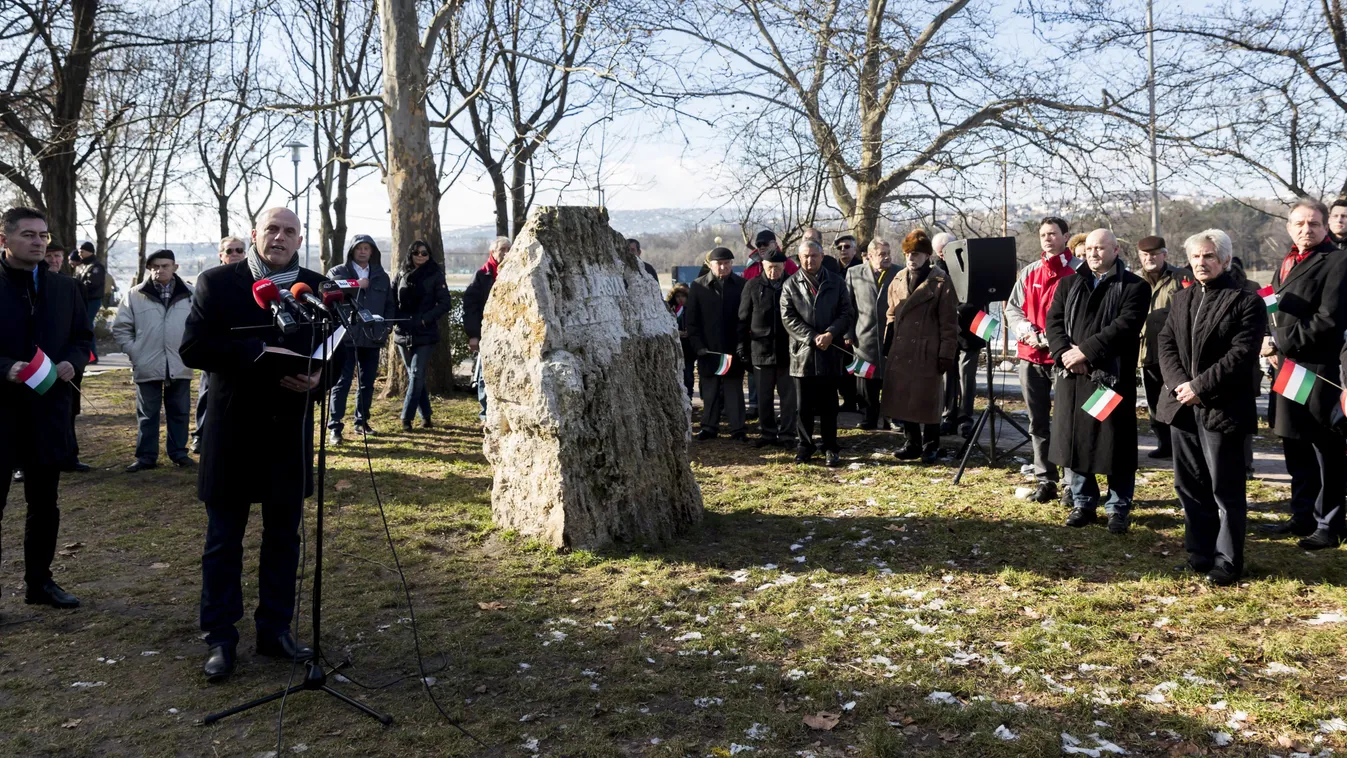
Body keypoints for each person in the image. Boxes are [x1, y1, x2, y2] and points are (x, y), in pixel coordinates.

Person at [180, 207, 326, 682]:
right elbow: (193, 349)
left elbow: (337, 349)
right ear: (254, 235)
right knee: (224, 540)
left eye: (289, 231)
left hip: (289, 429)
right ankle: (221, 638)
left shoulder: (314, 285)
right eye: (272, 230)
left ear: (300, 237)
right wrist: (254, 352)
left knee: (284, 537)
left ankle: (275, 630)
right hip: (233, 430)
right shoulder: (218, 282)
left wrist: (320, 379)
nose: (280, 238)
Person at [1156, 229, 1264, 585]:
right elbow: (1166, 342)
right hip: (1182, 406)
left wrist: (1200, 387)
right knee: (1189, 485)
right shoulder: (1183, 299)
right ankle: (1199, 552)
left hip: (1223, 407)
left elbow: (1241, 354)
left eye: (1210, 256)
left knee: (1225, 489)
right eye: (1197, 257)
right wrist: (1179, 386)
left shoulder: (1245, 300)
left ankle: (1228, 559)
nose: (1202, 263)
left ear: (1226, 260)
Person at [0, 207, 91, 609]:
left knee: (44, 505)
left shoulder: (64, 288)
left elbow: (81, 336)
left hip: (48, 411)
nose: (38, 242)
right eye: (28, 235)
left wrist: (75, 359)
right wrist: (4, 368)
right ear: (4, 240)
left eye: (43, 235)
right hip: (1, 414)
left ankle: (40, 583)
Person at [1045, 228, 1150, 534]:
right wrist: (1065, 354)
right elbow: (1054, 321)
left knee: (1113, 445)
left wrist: (1086, 354)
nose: (1093, 253)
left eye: (1100, 248)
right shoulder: (1069, 282)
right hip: (1072, 376)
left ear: (1116, 250)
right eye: (1089, 248)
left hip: (1109, 378)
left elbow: (1125, 327)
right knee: (1074, 441)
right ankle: (1083, 502)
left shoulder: (1134, 287)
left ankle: (1118, 507)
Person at [1261, 199, 1347, 549]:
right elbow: (1271, 304)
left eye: (1313, 224)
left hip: (1319, 368)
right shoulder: (1286, 261)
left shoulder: (1339, 261)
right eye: (1298, 223)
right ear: (1288, 226)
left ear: (1325, 226)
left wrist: (1280, 341)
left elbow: (1329, 317)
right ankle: (1302, 516)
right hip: (1286, 368)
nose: (1305, 229)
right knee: (1294, 442)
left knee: (1324, 448)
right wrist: (1266, 337)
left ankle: (1329, 523)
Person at [1005, 217, 1079, 503]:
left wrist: (1055, 337)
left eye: (1053, 234)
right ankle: (1045, 479)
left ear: (1065, 237)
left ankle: (1071, 484)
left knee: (1067, 422)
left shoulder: (1078, 272)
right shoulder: (1030, 272)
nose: (1047, 239)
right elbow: (1013, 308)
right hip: (1030, 356)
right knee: (1037, 422)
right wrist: (1025, 330)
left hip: (1064, 358)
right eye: (1043, 234)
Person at [880, 230, 958, 464]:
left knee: (928, 399)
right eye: (907, 254)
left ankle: (930, 445)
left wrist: (946, 353)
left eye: (915, 254)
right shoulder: (897, 279)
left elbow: (949, 323)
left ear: (926, 255)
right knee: (905, 397)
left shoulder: (941, 282)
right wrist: (888, 341)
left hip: (928, 348)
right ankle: (911, 442)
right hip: (902, 347)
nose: (910, 259)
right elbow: (891, 313)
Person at [113, 249, 195, 472]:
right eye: (155, 266)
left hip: (180, 363)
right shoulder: (134, 295)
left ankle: (179, 453)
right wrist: (135, 351)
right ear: (150, 269)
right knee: (147, 413)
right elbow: (121, 327)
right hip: (147, 362)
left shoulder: (191, 293)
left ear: (175, 267)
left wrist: (191, 351)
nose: (160, 270)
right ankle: (146, 457)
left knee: (179, 411)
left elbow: (199, 326)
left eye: (165, 265)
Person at [781, 239, 853, 466]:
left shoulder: (837, 282)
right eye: (805, 256)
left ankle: (830, 446)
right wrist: (812, 337)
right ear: (799, 258)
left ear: (822, 257)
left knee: (829, 405)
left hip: (830, 352)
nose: (809, 260)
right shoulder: (790, 285)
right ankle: (805, 446)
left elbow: (846, 312)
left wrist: (831, 333)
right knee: (803, 406)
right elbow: (788, 317)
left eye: (814, 255)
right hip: (803, 353)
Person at [325, 234, 395, 444]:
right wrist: (356, 284)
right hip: (344, 337)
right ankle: (335, 427)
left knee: (367, 383)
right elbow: (328, 291)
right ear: (352, 251)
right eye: (359, 248)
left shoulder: (381, 276)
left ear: (372, 252)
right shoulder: (338, 272)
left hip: (372, 336)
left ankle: (361, 421)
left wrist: (387, 325)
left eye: (367, 248)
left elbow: (390, 304)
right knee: (341, 382)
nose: (363, 251)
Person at [1136, 235, 1193, 460]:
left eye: (1154, 254)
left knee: (1177, 398)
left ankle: (1182, 445)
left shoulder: (1181, 277)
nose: (1149, 258)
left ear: (1164, 254)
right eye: (1145, 255)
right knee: (1153, 401)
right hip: (1146, 350)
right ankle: (1164, 443)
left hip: (1175, 352)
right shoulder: (1134, 280)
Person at [192, 236, 249, 454]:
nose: (234, 254)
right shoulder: (210, 280)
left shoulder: (252, 278)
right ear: (221, 255)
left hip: (243, 346)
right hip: (217, 346)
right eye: (229, 251)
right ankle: (200, 435)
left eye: (239, 250)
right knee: (208, 391)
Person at [687, 246, 748, 440]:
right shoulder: (698, 286)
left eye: (726, 263)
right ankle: (709, 427)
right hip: (708, 349)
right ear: (710, 265)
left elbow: (745, 318)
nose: (723, 267)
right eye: (719, 264)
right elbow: (692, 321)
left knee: (734, 390)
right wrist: (698, 346)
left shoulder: (741, 285)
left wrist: (742, 344)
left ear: (731, 264)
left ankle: (738, 428)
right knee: (710, 390)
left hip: (733, 347)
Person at [393, 239, 453, 431]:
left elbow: (445, 303)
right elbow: (391, 298)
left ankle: (406, 418)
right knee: (414, 376)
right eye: (416, 253)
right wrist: (394, 318)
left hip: (425, 331)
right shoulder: (401, 273)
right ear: (410, 254)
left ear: (429, 255)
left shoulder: (435, 275)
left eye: (424, 253)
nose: (420, 256)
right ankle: (426, 416)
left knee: (417, 374)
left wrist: (425, 319)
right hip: (403, 330)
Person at [738, 249, 796, 447]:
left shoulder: (793, 284)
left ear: (783, 267)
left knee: (789, 398)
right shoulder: (753, 286)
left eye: (778, 268)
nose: (774, 272)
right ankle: (768, 434)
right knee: (764, 397)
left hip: (787, 353)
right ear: (763, 266)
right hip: (760, 350)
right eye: (770, 267)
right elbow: (743, 319)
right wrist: (742, 348)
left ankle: (788, 435)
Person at [932, 231, 984, 438]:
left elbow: (980, 295)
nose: (942, 256)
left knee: (967, 377)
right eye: (939, 253)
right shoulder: (935, 269)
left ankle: (966, 417)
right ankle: (948, 415)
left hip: (970, 329)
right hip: (946, 332)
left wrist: (957, 310)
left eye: (945, 251)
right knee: (948, 376)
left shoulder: (973, 265)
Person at [846, 237, 899, 430]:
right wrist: (847, 333)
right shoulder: (854, 273)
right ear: (870, 256)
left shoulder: (899, 272)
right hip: (863, 336)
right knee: (865, 380)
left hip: (891, 335)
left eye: (888, 253)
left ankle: (891, 417)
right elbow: (848, 306)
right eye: (881, 254)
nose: (886, 258)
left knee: (891, 379)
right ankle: (868, 416)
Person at [463, 236, 508, 425]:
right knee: (484, 375)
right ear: (493, 253)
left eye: (509, 249)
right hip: (487, 333)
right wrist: (474, 335)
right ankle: (485, 414)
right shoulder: (482, 275)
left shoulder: (516, 272)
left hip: (509, 332)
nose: (506, 253)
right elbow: (470, 307)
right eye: (502, 250)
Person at [73, 241, 106, 364]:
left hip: (92, 300)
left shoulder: (96, 266)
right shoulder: (82, 266)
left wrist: (77, 287)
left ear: (90, 252)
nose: (79, 253)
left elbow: (92, 283)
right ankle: (87, 354)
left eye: (82, 251)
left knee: (87, 327)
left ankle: (92, 356)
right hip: (83, 300)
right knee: (83, 327)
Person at [667, 284, 695, 397]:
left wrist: (689, 332)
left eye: (683, 296)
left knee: (688, 374)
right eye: (678, 296)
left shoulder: (691, 309)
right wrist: (677, 333)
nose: (680, 299)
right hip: (675, 347)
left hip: (688, 348)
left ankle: (689, 396)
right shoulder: (670, 310)